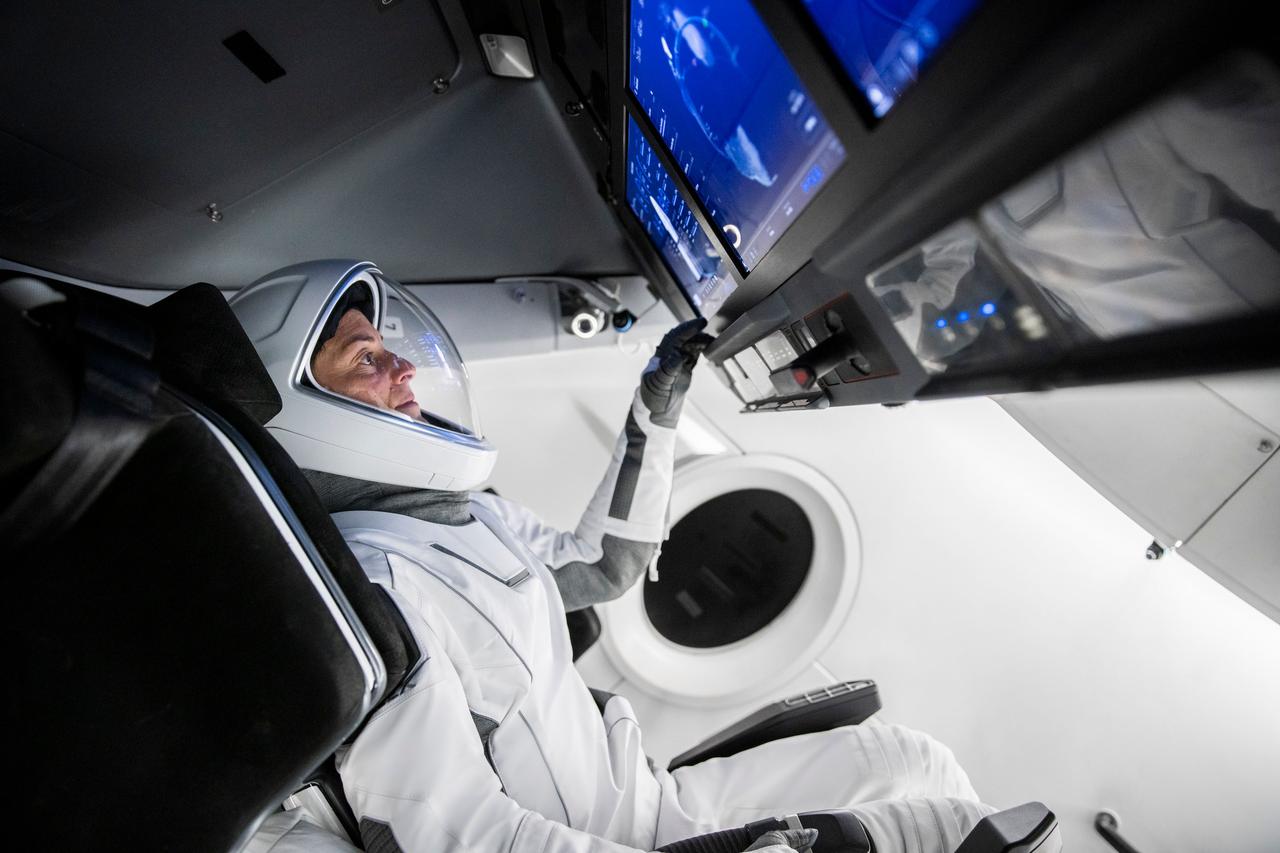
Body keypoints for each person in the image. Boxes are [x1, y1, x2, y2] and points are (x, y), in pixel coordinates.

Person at [230, 260, 995, 853]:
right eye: (366, 359)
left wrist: (654, 408)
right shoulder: (371, 589)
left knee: (912, 758)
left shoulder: (463, 515)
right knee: (942, 824)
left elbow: (602, 565)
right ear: (301, 409)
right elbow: (456, 831)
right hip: (627, 837)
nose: (405, 371)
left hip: (650, 795)